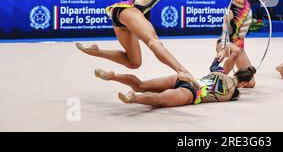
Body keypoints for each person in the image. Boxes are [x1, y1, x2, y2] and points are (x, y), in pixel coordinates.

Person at [95, 59, 256, 108]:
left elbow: (216, 62)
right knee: (159, 100)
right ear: (243, 84)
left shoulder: (218, 71)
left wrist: (220, 52)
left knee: (141, 84)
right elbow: (238, 88)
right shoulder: (235, 93)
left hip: (182, 79)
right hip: (192, 93)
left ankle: (113, 76)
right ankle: (133, 98)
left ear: (235, 72)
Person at [215, 0, 272, 88]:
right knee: (236, 50)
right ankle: (219, 81)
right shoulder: (230, 11)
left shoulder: (248, 1)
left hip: (239, 45)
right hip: (228, 43)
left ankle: (230, 82)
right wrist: (223, 48)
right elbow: (224, 29)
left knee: (250, 83)